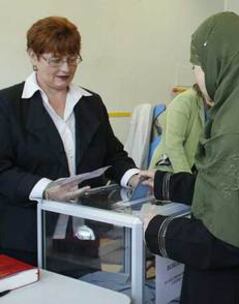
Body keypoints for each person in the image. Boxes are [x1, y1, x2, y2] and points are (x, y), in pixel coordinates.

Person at [139, 12, 239, 304]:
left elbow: (224, 242)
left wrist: (157, 227)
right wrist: (164, 182)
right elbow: (225, 195)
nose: (196, 76)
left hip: (229, 290)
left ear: (222, 65)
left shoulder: (235, 135)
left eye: (197, 65)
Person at [0, 16, 140, 266]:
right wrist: (45, 189)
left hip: (81, 235)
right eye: (55, 60)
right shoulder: (8, 104)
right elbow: (2, 170)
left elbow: (113, 154)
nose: (65, 69)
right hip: (26, 239)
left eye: (72, 58)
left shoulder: (90, 103)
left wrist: (133, 176)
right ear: (33, 56)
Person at [149, 83, 211, 173]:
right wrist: (185, 179)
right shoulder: (184, 101)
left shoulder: (214, 107)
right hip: (169, 168)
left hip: (195, 169)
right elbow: (174, 145)